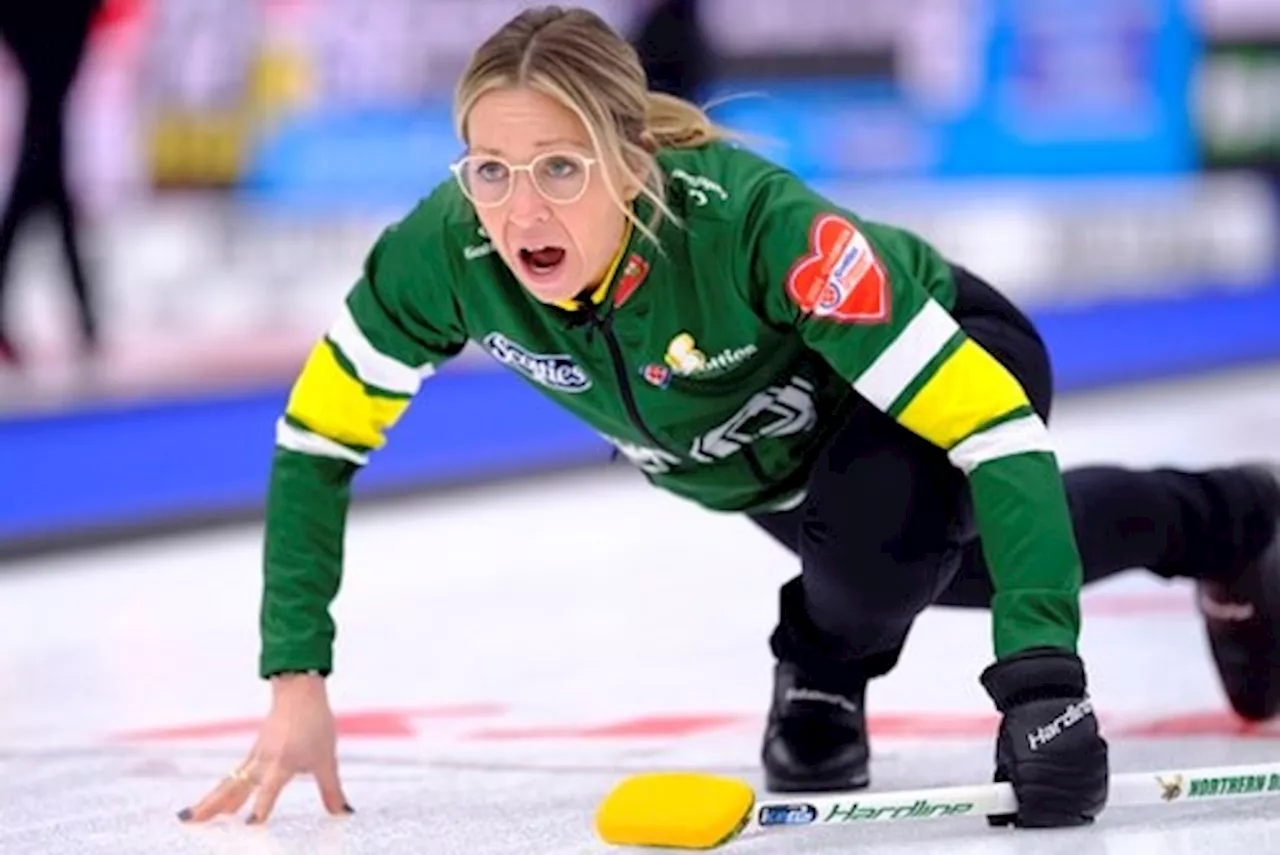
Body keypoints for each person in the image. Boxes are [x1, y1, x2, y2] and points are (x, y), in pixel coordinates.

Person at [177, 4, 1280, 831]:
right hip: (774, 470)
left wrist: (1043, 685)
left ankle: (820, 661)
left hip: (946, 358)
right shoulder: (443, 253)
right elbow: (315, 444)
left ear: (630, 157)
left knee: (882, 551)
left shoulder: (754, 226)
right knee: (956, 568)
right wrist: (295, 681)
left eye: (560, 168)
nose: (520, 210)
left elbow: (992, 436)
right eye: (490, 170)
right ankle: (1223, 518)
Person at [0, 0, 103, 365]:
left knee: (42, 183)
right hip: (46, 47)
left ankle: (89, 319)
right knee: (43, 181)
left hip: (53, 46)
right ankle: (88, 319)